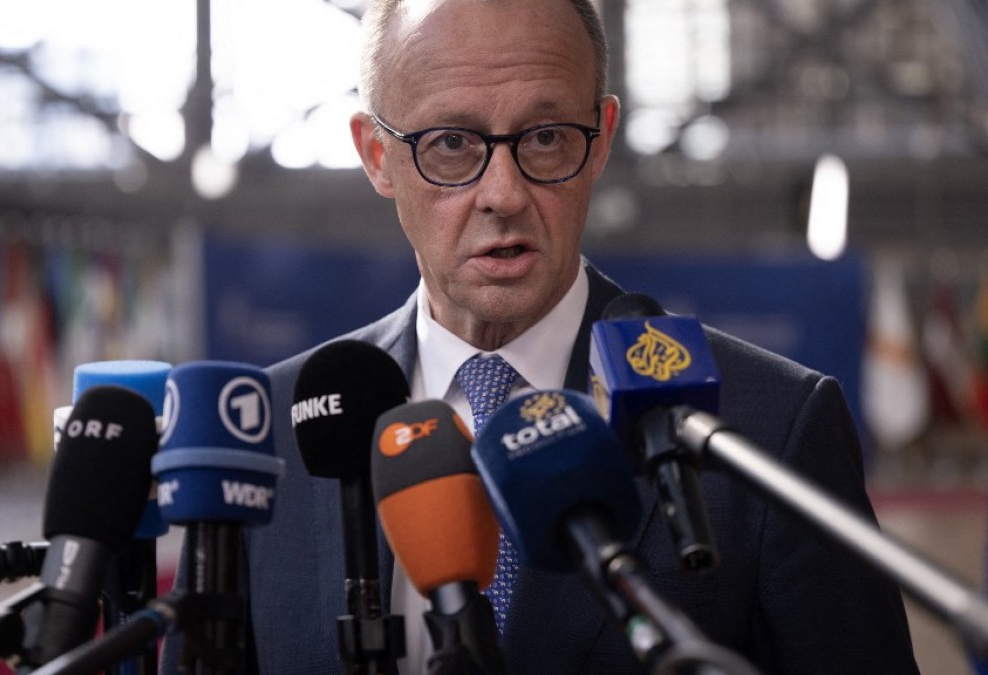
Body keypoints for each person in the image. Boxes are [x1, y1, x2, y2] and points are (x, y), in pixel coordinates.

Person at [163, 0, 919, 673]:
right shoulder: (262, 436)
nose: (503, 193)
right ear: (376, 155)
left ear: (602, 139)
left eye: (547, 137)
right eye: (451, 144)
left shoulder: (771, 428)